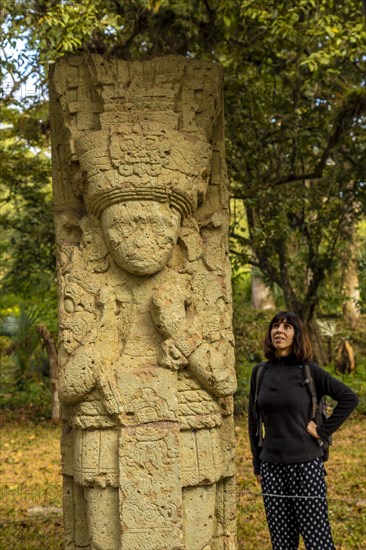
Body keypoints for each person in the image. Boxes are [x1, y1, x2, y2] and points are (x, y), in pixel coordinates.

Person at [248, 311, 359, 550]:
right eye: (275, 326)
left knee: (317, 542)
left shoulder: (308, 371)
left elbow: (349, 398)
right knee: (282, 543)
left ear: (296, 335)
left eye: (287, 327)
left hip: (306, 466)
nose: (279, 330)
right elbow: (254, 423)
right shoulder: (260, 373)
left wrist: (323, 430)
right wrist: (258, 465)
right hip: (271, 468)